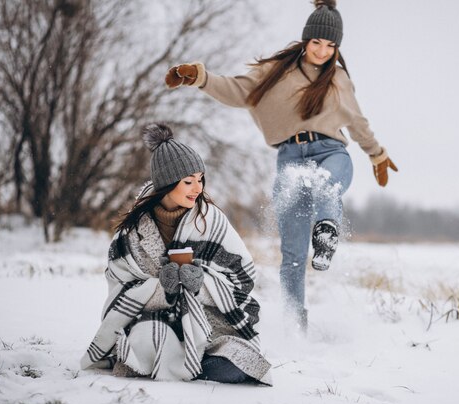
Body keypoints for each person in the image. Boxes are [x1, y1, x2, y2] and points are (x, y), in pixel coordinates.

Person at [164, 0, 397, 333]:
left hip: (331, 151)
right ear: (306, 40)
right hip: (290, 158)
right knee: (292, 256)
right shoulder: (275, 73)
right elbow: (236, 89)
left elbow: (357, 121)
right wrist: (200, 78)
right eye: (317, 42)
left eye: (331, 45)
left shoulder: (339, 78)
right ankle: (294, 328)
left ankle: (327, 232)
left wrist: (376, 154)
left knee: (326, 184)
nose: (322, 51)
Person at [80, 123, 272, 384]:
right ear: (167, 184)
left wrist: (201, 284)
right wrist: (162, 290)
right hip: (153, 319)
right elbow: (119, 288)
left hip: (209, 320)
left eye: (201, 179)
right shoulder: (131, 233)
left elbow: (244, 279)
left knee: (237, 366)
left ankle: (191, 361)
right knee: (147, 341)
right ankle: (180, 361)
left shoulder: (211, 221)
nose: (198, 188)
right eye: (188, 181)